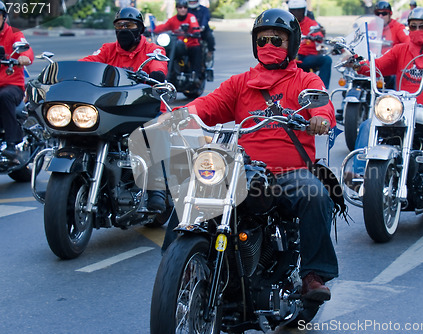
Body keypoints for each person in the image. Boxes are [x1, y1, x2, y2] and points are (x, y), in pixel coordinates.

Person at [159, 8, 339, 301]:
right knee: (194, 187)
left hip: (287, 173)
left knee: (315, 193)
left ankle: (312, 274)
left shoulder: (305, 81)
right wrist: (179, 116)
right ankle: (175, 266)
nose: (269, 45)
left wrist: (319, 117)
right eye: (263, 39)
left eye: (277, 40)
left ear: (292, 44)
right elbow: (207, 105)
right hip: (243, 167)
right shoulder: (241, 83)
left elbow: (323, 105)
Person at [348, 8, 423, 199]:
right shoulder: (400, 50)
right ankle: (359, 176)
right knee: (368, 125)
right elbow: (377, 67)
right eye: (413, 26)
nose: (417, 30)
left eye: (422, 26)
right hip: (401, 109)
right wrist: (358, 64)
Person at [80, 7, 169, 211]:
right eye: (119, 26)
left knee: (154, 130)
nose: (124, 30)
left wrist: (156, 76)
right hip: (113, 109)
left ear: (140, 29)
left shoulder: (152, 49)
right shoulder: (108, 50)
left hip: (144, 109)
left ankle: (157, 189)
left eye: (129, 26)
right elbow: (86, 64)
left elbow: (158, 67)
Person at [0, 1, 34, 161]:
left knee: (4, 96)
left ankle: (11, 144)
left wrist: (24, 57)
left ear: (4, 18)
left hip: (11, 85)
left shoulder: (13, 33)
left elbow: (26, 48)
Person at [154, 0, 203, 83]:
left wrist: (195, 32)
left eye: (185, 7)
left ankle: (196, 75)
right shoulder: (173, 20)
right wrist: (150, 30)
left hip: (190, 44)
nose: (183, 9)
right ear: (177, 8)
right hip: (176, 44)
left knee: (195, 50)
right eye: (180, 7)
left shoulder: (191, 17)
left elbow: (195, 26)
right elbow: (163, 27)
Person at [288, 0, 332, 89]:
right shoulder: (287, 23)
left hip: (306, 57)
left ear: (304, 11)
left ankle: (322, 89)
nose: (296, 13)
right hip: (290, 56)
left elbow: (318, 34)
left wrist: (317, 37)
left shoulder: (310, 23)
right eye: (293, 10)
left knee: (326, 60)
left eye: (299, 10)